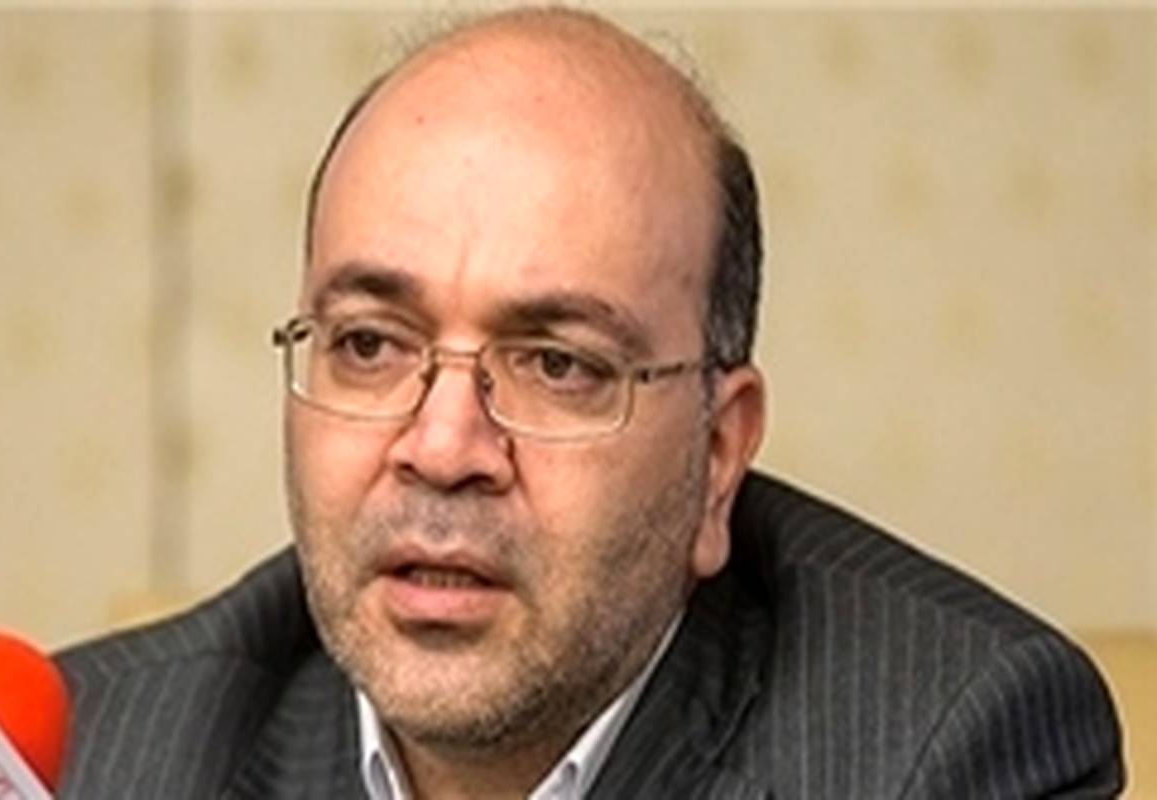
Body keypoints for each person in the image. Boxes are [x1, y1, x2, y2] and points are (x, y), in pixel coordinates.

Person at [55, 7, 1124, 799]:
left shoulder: (946, 751)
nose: (442, 447)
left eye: (557, 364)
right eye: (370, 345)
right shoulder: (89, 755)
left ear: (717, 455)